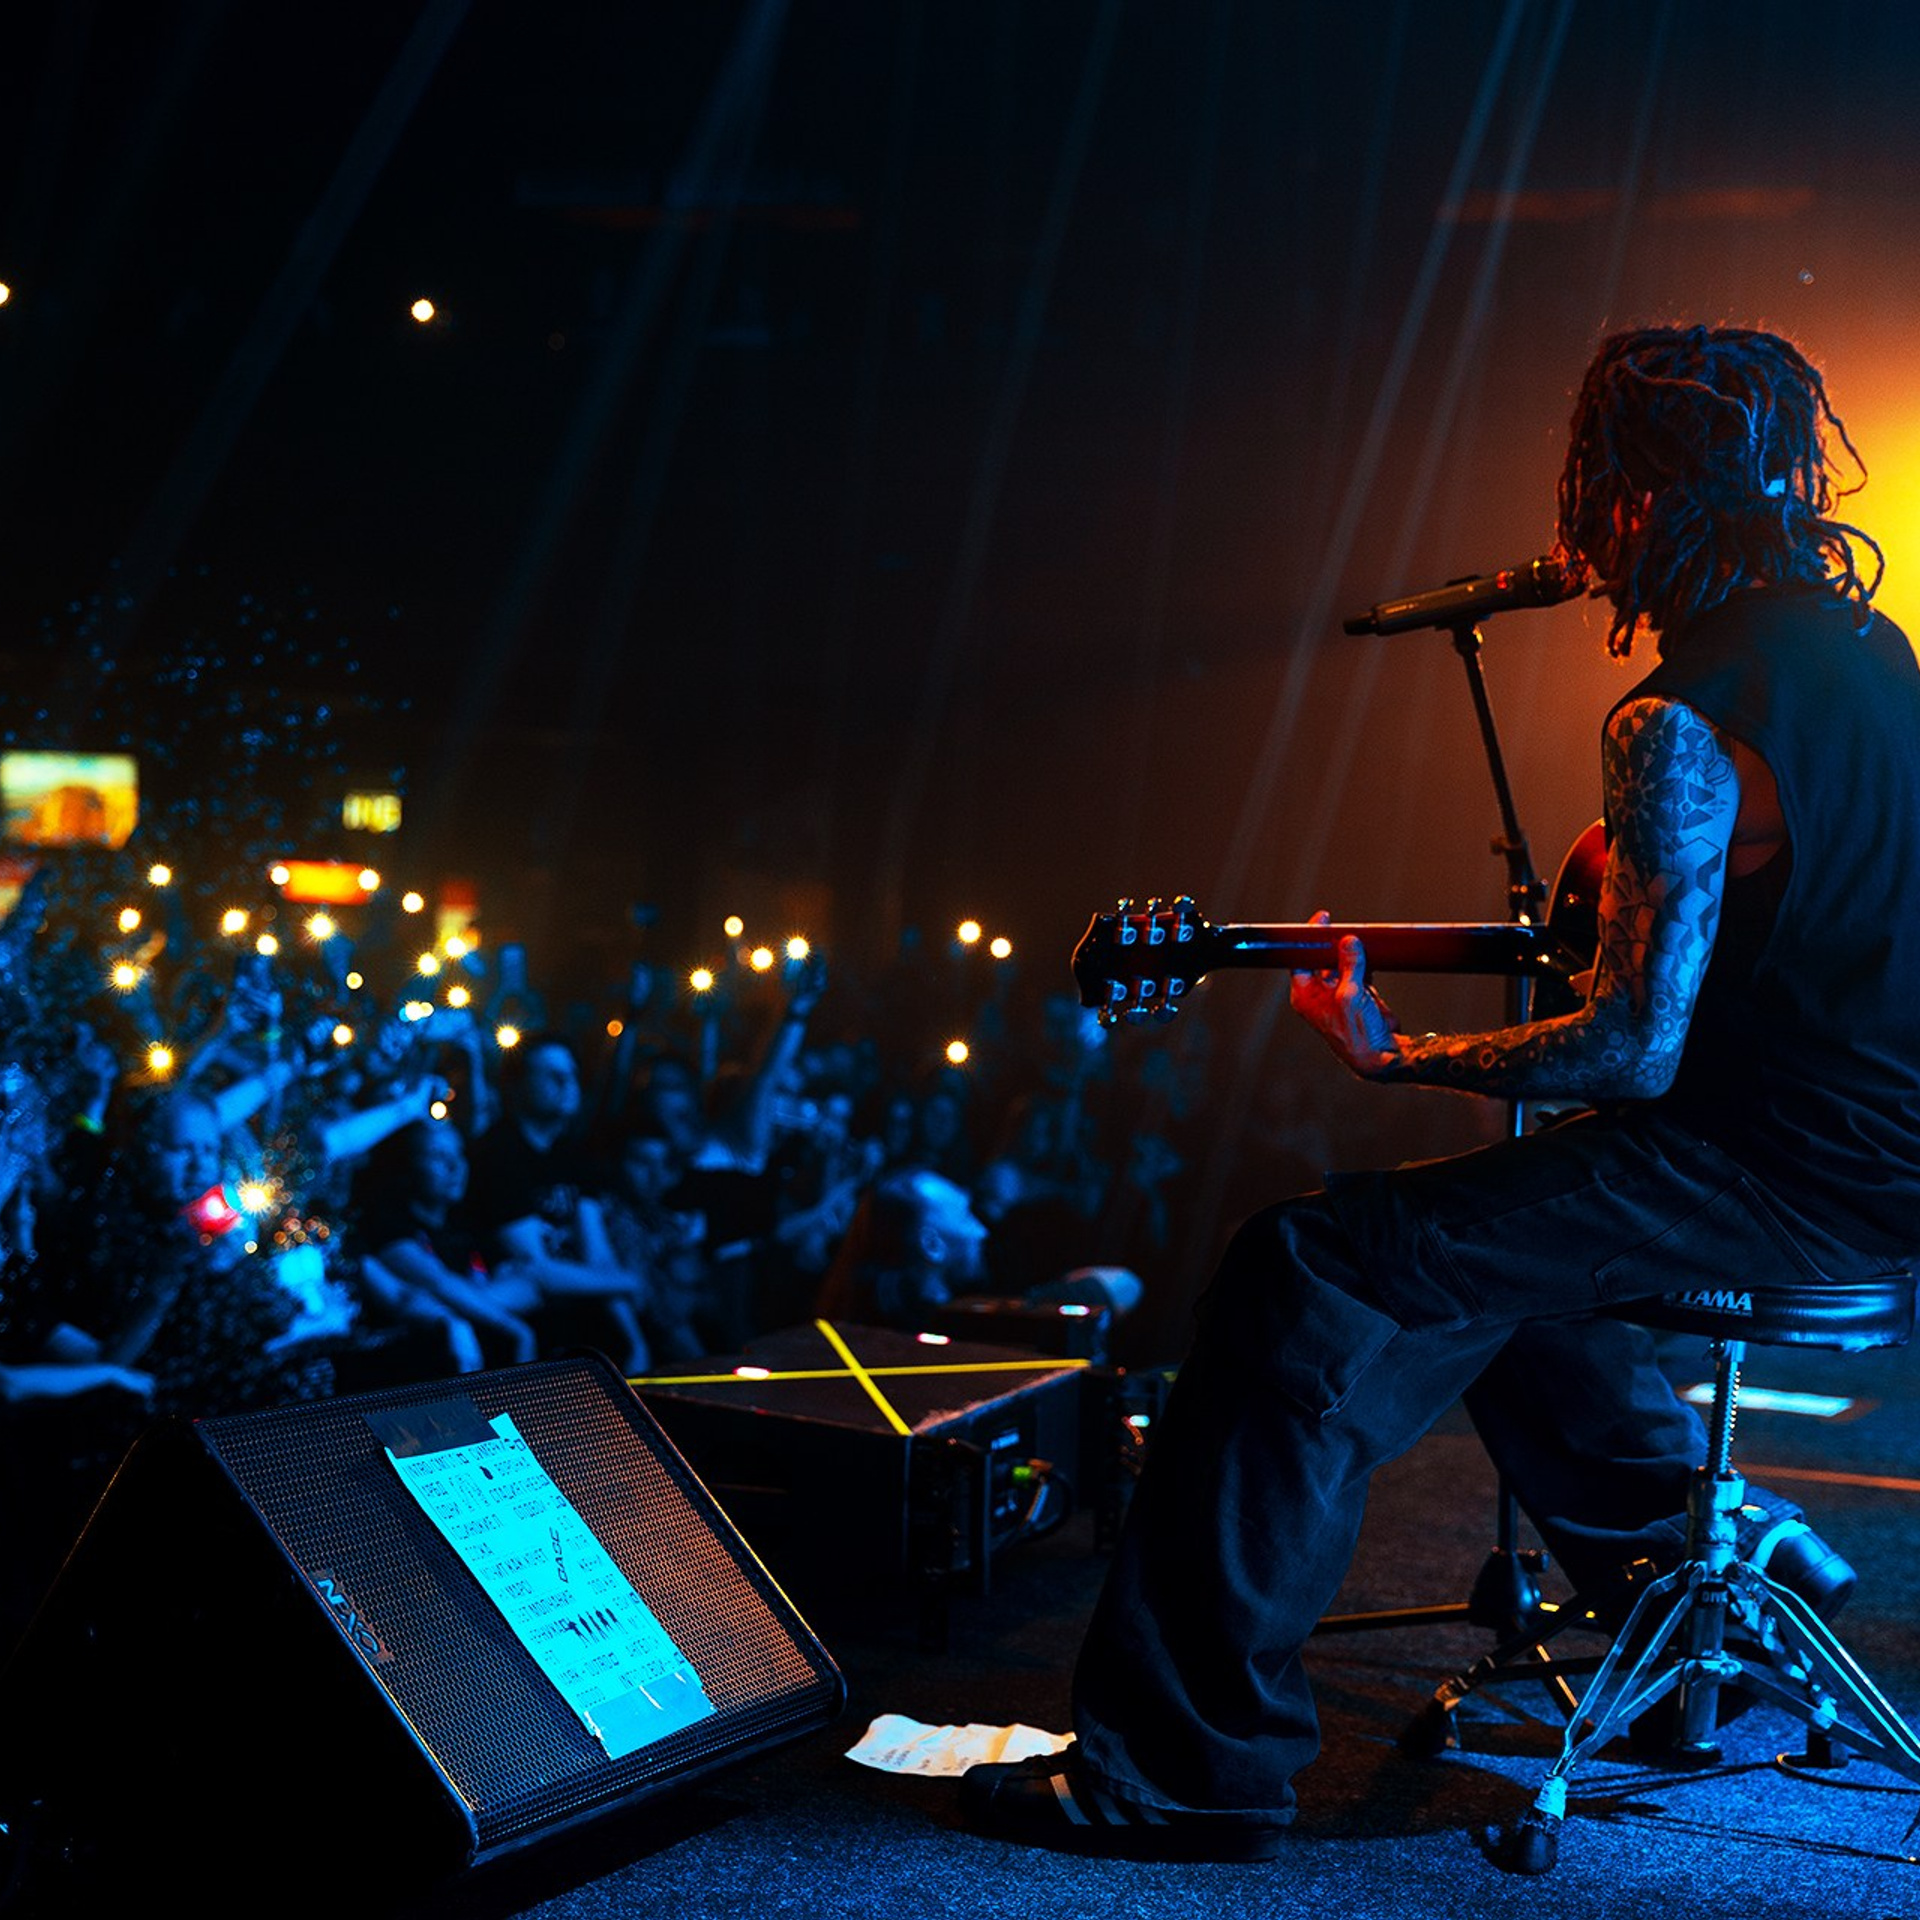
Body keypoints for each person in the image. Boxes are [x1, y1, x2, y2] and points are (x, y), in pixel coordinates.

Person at [960, 324, 1920, 1858]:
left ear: (1632, 499)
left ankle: (1175, 1773)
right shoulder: (1875, 658)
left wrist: (1395, 1056)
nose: (1582, 540)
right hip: (1880, 1162)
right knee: (1481, 1267)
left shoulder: (1677, 721)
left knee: (1305, 1271)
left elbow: (1630, 1053)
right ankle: (1699, 1597)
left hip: (1778, 1169)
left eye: (1592, 494)